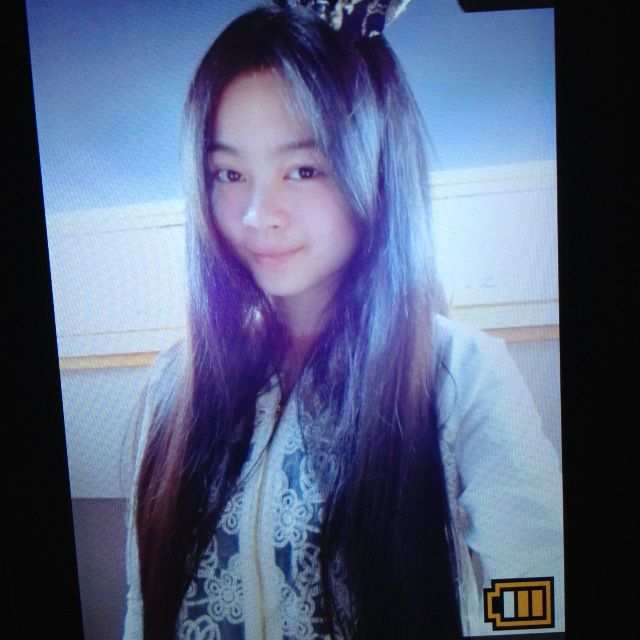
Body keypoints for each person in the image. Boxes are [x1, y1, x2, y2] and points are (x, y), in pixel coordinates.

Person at [124, 3, 564, 639]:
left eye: (303, 169)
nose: (257, 213)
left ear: (373, 169)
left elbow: (537, 594)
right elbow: (142, 606)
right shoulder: (172, 387)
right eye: (230, 173)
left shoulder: (460, 374)